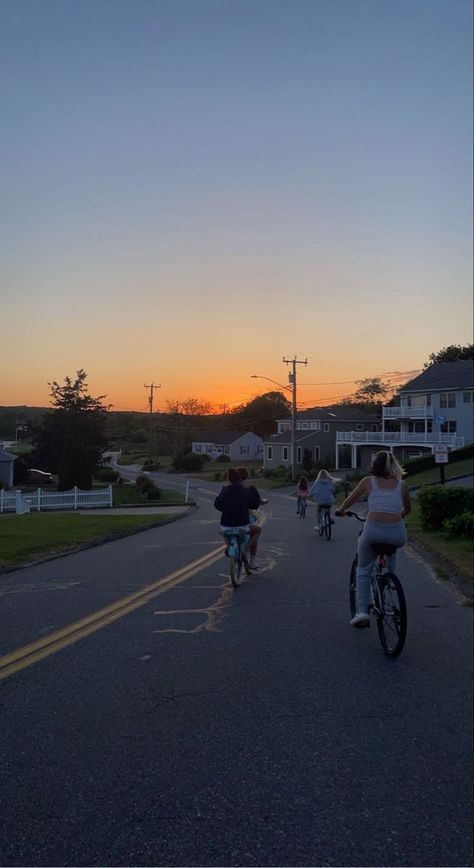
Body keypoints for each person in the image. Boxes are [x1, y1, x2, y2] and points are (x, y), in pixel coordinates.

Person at [338, 450, 411, 628]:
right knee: (391, 545)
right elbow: (407, 509)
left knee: (363, 569)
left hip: (373, 531)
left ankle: (362, 612)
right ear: (394, 466)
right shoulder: (402, 485)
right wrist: (396, 516)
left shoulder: (368, 481)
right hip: (398, 534)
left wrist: (341, 510)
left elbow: (350, 500)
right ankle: (390, 577)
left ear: (374, 466)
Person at [214, 467, 261, 568]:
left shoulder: (225, 489)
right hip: (242, 525)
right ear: (240, 479)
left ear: (228, 479)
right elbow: (254, 503)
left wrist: (226, 508)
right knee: (258, 530)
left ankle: (228, 546)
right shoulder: (245, 491)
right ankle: (245, 550)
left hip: (225, 525)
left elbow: (217, 504)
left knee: (224, 532)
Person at [237, 467, 267, 569]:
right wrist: (262, 501)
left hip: (227, 522)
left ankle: (230, 549)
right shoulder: (249, 489)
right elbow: (255, 502)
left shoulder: (228, 488)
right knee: (256, 531)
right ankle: (251, 560)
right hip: (244, 520)